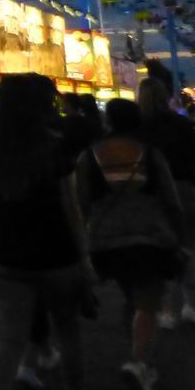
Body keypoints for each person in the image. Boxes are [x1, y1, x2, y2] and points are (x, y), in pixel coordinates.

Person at [0, 74, 88, 390]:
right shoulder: (54, 148)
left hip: (10, 255)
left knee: (11, 337)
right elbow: (71, 208)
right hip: (58, 253)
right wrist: (84, 258)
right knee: (68, 331)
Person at [78, 98, 185, 390]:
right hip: (148, 237)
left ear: (108, 122)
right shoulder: (150, 154)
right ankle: (139, 362)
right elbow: (170, 199)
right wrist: (179, 234)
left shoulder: (90, 156)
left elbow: (82, 202)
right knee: (148, 303)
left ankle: (140, 357)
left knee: (134, 299)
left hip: (106, 241)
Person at [136, 77, 195, 326]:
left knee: (155, 253)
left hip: (150, 195)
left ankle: (165, 309)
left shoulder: (138, 129)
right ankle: (191, 305)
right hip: (184, 187)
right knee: (188, 247)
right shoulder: (181, 124)